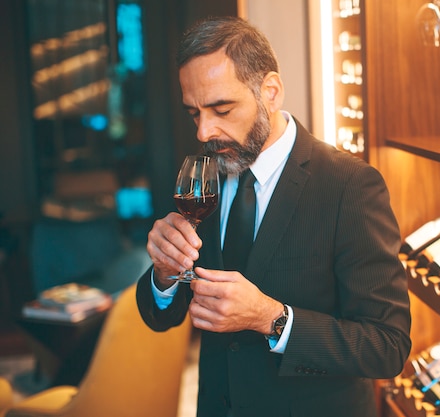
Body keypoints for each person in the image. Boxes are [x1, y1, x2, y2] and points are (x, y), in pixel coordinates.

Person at [135, 15, 411, 417]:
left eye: (221, 109)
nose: (204, 131)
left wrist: (273, 319)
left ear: (271, 91)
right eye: (195, 113)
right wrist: (163, 273)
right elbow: (162, 318)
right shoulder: (204, 176)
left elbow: (387, 346)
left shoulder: (350, 185)